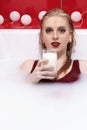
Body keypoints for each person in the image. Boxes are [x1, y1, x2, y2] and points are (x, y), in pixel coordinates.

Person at [20, 8, 87, 84]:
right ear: (42, 37)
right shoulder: (27, 67)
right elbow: (14, 92)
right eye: (49, 30)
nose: (55, 36)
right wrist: (31, 80)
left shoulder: (83, 68)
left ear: (70, 36)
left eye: (62, 30)